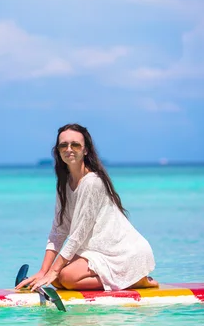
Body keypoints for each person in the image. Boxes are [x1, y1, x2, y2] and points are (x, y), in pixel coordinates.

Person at [16, 123, 158, 292]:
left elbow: (79, 233)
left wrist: (53, 270)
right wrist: (43, 272)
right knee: (57, 280)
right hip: (95, 250)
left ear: (85, 150)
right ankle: (124, 278)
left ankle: (135, 280)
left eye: (75, 144)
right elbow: (59, 230)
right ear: (58, 151)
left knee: (65, 278)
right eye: (63, 145)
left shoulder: (93, 182)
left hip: (121, 252)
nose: (69, 149)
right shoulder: (64, 184)